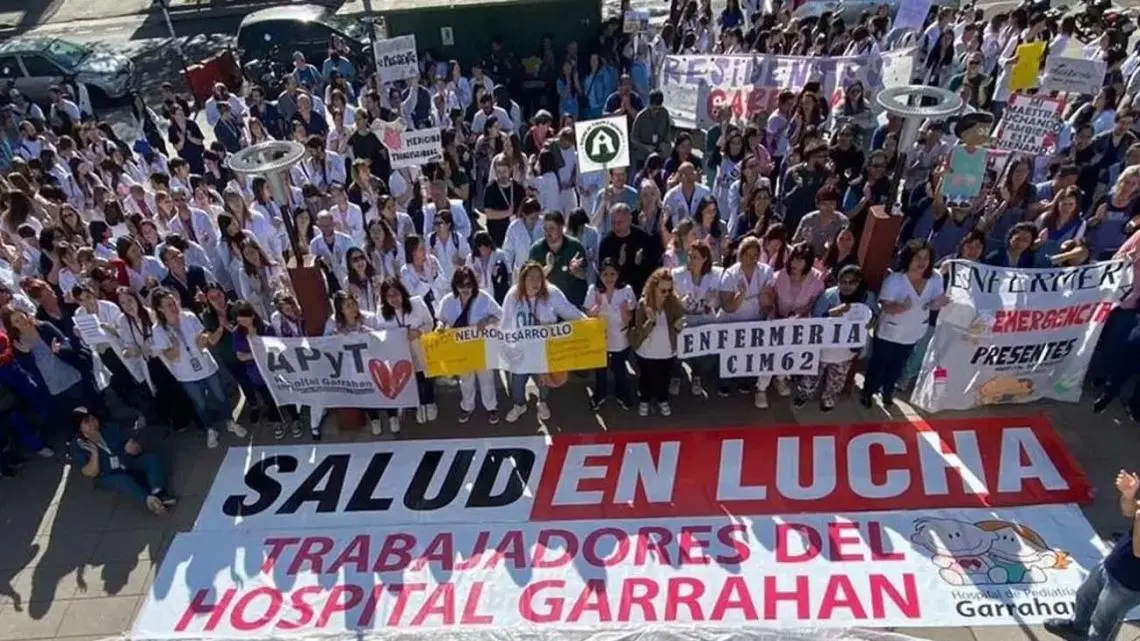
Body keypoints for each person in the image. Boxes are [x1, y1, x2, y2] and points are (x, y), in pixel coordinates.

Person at [1045, 470, 1140, 641]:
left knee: (1102, 621)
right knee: (1084, 595)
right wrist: (1128, 495)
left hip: (1128, 583)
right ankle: (1077, 628)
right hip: (1112, 563)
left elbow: (1139, 551)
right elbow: (1129, 511)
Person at [149, 287, 245, 448]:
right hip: (186, 375)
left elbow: (203, 339)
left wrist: (203, 340)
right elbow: (169, 357)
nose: (173, 307)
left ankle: (230, 422)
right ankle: (210, 429)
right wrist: (174, 346)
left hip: (206, 366)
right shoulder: (158, 330)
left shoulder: (188, 317)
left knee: (221, 396)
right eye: (168, 305)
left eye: (174, 303)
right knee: (200, 404)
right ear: (159, 309)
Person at [862, 239, 949, 407]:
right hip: (890, 332)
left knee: (898, 366)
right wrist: (900, 307)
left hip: (913, 332)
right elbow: (885, 306)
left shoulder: (935, 277)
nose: (922, 262)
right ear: (908, 258)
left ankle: (887, 392)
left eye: (926, 258)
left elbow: (936, 299)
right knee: (879, 365)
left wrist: (937, 304)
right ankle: (868, 392)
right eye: (917, 257)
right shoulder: (895, 280)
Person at [500, 262, 585, 423]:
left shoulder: (551, 292)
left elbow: (570, 311)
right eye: (531, 278)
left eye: (539, 278)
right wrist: (508, 347)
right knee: (517, 382)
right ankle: (519, 405)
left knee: (544, 379)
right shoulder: (513, 295)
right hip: (521, 349)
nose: (535, 282)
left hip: (544, 349)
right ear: (523, 280)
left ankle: (542, 402)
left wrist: (590, 325)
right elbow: (505, 322)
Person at [796, 264, 875, 411]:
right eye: (843, 281)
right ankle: (804, 395)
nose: (847, 286)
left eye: (852, 282)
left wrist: (870, 323)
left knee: (836, 380)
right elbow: (816, 318)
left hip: (846, 352)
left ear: (859, 283)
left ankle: (828, 400)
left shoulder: (867, 297)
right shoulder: (829, 295)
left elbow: (874, 316)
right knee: (811, 376)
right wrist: (831, 313)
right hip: (824, 349)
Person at [71, 407, 174, 515]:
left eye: (93, 419)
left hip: (125, 460)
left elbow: (134, 444)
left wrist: (133, 448)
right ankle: (149, 500)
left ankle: (158, 493)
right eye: (87, 422)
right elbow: (91, 472)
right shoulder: (78, 446)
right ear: (79, 428)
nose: (92, 423)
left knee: (150, 459)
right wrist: (95, 454)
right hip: (107, 474)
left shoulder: (109, 427)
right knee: (123, 481)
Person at [436, 266, 502, 423]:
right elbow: (441, 318)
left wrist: (486, 320)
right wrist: (440, 326)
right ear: (455, 285)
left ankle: (491, 407)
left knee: (486, 378)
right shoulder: (448, 300)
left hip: (482, 346)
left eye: (469, 284)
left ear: (474, 284)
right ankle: (467, 406)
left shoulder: (484, 298)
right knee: (466, 379)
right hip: (460, 348)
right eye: (461, 285)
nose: (465, 289)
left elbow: (500, 315)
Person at [378, 278, 437, 425]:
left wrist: (418, 332)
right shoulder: (381, 312)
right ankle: (418, 405)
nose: (394, 299)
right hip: (400, 353)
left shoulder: (417, 302)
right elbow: (381, 334)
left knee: (426, 377)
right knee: (412, 379)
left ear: (402, 293)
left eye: (396, 294)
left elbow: (430, 323)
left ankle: (429, 401)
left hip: (420, 348)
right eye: (389, 296)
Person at [628, 267, 685, 417]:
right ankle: (644, 400)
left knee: (664, 379)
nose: (667, 294)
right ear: (653, 288)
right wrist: (650, 322)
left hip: (667, 351)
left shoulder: (673, 302)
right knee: (646, 378)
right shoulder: (643, 304)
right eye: (663, 290)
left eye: (669, 290)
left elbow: (679, 324)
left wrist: (679, 327)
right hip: (646, 351)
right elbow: (639, 332)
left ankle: (663, 400)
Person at [584, 257, 635, 411]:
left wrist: (624, 311)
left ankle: (622, 395)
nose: (609, 278)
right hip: (601, 339)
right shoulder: (593, 290)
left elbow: (629, 320)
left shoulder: (626, 290)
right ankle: (599, 395)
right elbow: (588, 317)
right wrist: (597, 306)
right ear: (600, 275)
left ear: (618, 275)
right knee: (600, 371)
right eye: (605, 274)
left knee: (620, 370)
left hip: (620, 339)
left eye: (612, 274)